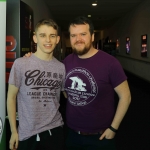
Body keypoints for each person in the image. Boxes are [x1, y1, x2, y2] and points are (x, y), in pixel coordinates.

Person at [63, 16, 131, 150]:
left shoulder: (110, 63)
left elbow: (126, 97)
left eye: (83, 34)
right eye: (73, 35)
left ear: (92, 36)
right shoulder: (67, 61)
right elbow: (66, 92)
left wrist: (113, 128)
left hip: (101, 137)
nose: (78, 39)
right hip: (72, 134)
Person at [7, 19, 66, 150]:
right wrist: (13, 131)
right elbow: (11, 97)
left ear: (57, 39)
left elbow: (67, 95)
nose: (48, 40)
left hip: (55, 130)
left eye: (52, 36)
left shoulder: (61, 67)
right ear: (35, 38)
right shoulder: (21, 64)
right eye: (43, 35)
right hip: (27, 133)